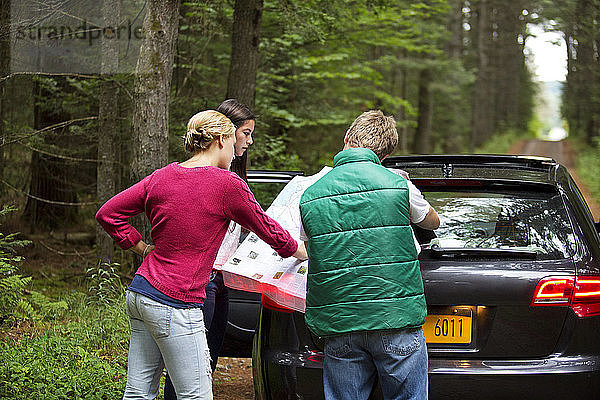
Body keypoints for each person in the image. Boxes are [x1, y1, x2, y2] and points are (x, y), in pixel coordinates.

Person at [96, 109, 307, 400]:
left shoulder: (162, 177)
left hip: (140, 294)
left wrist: (141, 247)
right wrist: (300, 250)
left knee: (137, 393)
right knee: (196, 395)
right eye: (234, 143)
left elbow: (107, 213)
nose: (236, 152)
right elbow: (267, 228)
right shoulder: (227, 184)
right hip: (177, 302)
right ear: (220, 140)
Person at [298, 110, 439, 400]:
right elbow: (432, 222)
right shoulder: (398, 184)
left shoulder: (311, 193)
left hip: (340, 321)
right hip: (395, 318)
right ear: (384, 155)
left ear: (347, 139)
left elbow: (311, 248)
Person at [164, 99, 256, 400]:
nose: (249, 141)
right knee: (188, 365)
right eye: (245, 133)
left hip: (221, 277)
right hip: (199, 279)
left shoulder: (234, 175)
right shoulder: (204, 176)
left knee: (208, 359)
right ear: (224, 135)